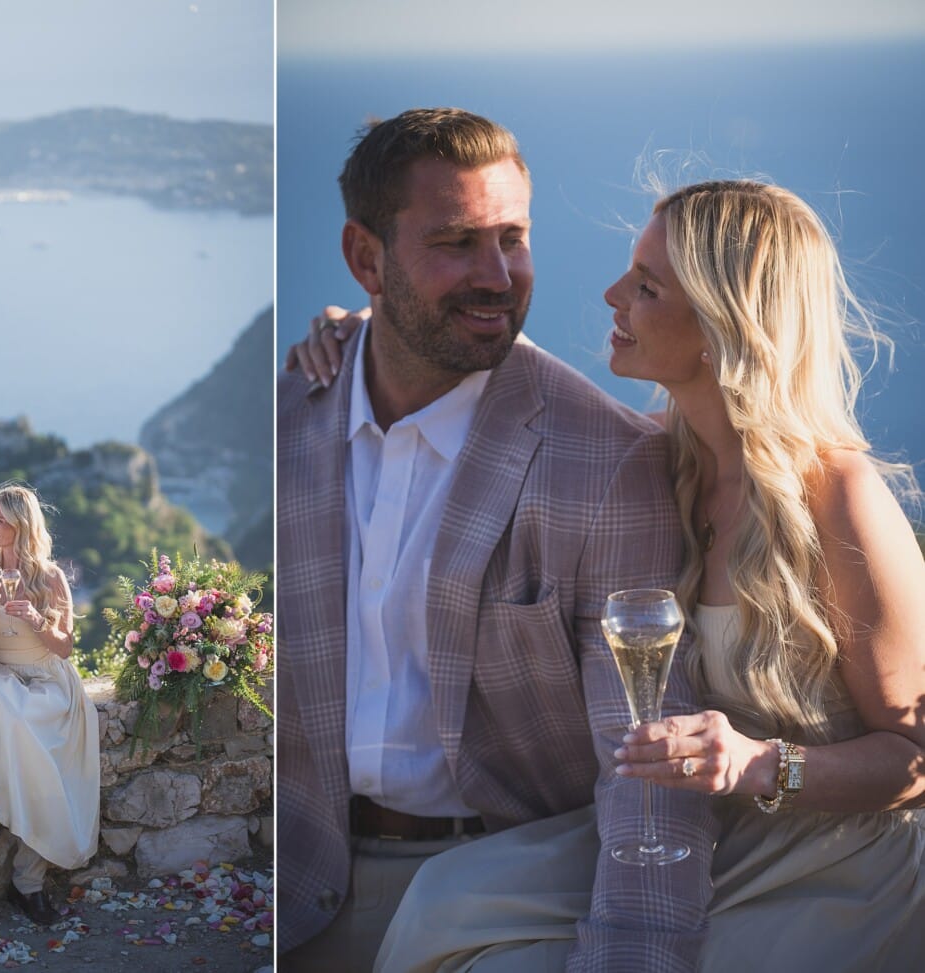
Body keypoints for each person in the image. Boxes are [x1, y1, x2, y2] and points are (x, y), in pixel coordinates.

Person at [295, 180, 925, 971]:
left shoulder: (841, 498)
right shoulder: (659, 460)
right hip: (697, 827)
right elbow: (520, 383)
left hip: (830, 862)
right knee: (441, 900)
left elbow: (916, 755)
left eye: (646, 285)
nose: (611, 293)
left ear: (720, 326)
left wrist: (761, 763)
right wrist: (371, 328)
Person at [276, 107, 717, 973]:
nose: (498, 275)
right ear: (366, 258)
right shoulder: (291, 420)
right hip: (297, 887)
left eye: (512, 237)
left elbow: (646, 770)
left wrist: (629, 957)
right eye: (455, 243)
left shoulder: (609, 461)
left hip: (504, 904)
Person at [0, 482, 100, 926]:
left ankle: (28, 880)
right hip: (0, 675)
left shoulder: (50, 577)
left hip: (45, 682)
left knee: (44, 780)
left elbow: (65, 647)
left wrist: (37, 620)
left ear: (22, 523)